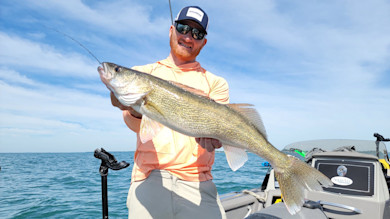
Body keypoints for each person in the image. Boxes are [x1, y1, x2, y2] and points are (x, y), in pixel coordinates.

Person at [109, 6, 229, 219]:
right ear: (171, 30)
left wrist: (216, 139)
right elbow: (134, 125)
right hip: (149, 179)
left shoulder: (216, 83)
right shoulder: (144, 73)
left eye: (197, 33)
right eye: (183, 28)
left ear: (204, 42)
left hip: (198, 182)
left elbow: (222, 132)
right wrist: (131, 107)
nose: (188, 37)